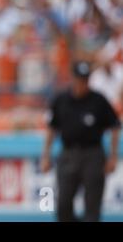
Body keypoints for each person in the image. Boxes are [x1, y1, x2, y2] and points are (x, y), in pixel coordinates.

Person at [40, 61, 121, 222]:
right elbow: (51, 128)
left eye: (85, 80)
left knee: (92, 206)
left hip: (93, 155)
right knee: (63, 203)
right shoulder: (61, 100)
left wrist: (112, 156)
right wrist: (46, 155)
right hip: (68, 153)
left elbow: (115, 126)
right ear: (72, 78)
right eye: (79, 79)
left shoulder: (98, 100)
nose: (82, 84)